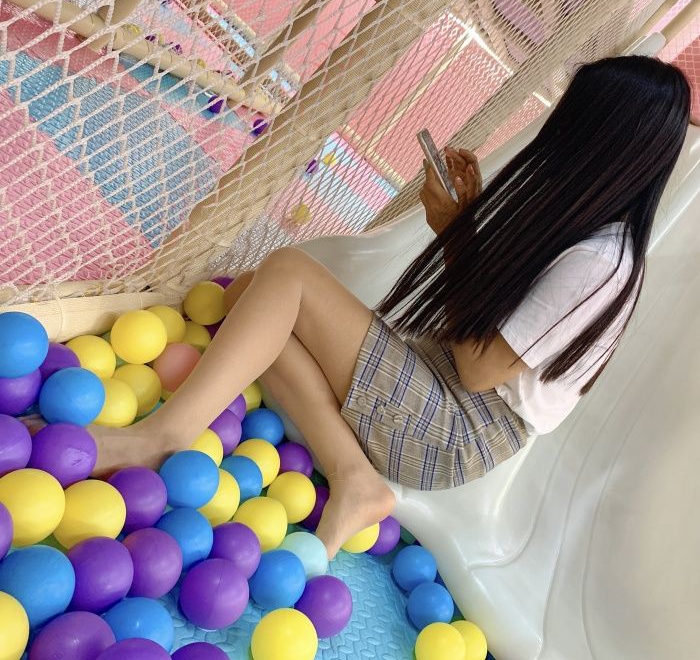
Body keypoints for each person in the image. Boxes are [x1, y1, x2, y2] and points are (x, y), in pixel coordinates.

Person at [90, 55, 691, 558]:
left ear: (600, 141)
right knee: (254, 298)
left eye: (571, 118)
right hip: (444, 395)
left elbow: (478, 370)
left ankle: (163, 435)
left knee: (288, 275)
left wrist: (457, 234)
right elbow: (484, 339)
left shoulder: (600, 263)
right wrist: (457, 229)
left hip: (454, 428)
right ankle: (354, 476)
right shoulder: (588, 236)